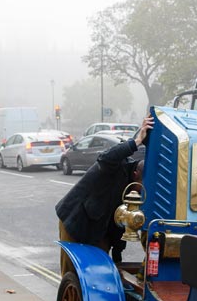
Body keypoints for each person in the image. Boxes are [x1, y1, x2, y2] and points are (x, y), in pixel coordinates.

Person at [55, 114, 154, 274]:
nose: (142, 192)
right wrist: (136, 142)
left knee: (99, 273)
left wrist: (117, 258)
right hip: (76, 221)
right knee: (72, 273)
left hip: (101, 228)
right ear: (136, 173)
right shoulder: (115, 167)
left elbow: (121, 223)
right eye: (141, 186)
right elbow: (105, 157)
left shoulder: (136, 190)